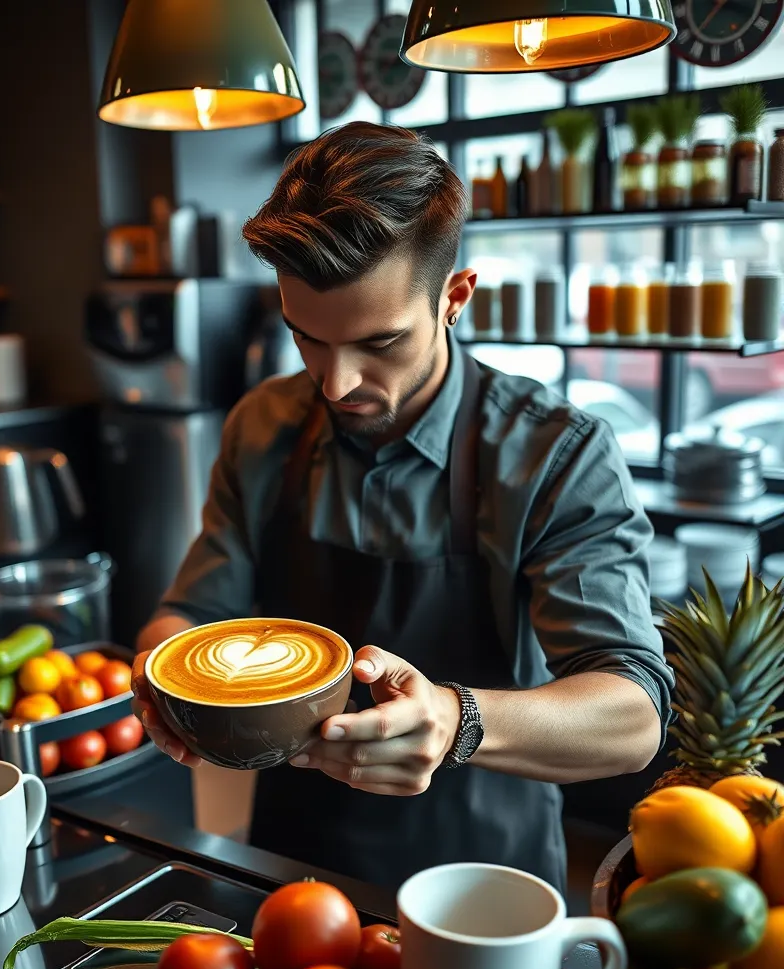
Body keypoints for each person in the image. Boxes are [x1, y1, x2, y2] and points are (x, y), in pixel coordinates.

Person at [131, 122, 673, 894]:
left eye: (379, 343)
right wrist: (162, 675)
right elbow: (191, 610)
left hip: (486, 882)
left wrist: (457, 721)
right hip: (291, 871)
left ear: (455, 297)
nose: (335, 383)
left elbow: (633, 712)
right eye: (306, 339)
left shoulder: (556, 454)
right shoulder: (263, 424)